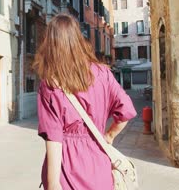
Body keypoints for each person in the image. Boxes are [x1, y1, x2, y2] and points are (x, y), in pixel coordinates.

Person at [33, 14, 137, 190]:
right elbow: (126, 110)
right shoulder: (103, 73)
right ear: (78, 40)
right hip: (99, 165)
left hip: (67, 169)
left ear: (51, 43)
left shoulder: (50, 84)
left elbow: (54, 138)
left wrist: (53, 183)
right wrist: (109, 135)